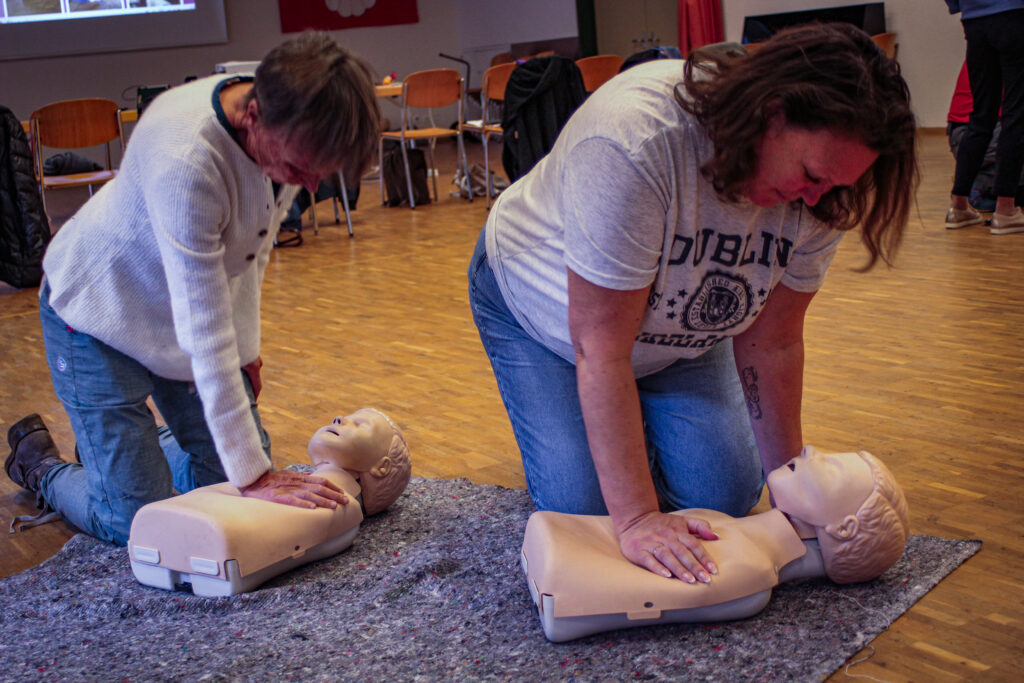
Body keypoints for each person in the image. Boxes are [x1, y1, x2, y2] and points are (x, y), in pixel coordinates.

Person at [468, 23, 917, 585]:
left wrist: (789, 486)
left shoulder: (826, 192)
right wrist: (637, 518)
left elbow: (774, 342)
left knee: (725, 496)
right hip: (543, 318)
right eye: (810, 175)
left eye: (834, 185)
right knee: (588, 513)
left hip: (678, 328)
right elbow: (601, 349)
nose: (816, 197)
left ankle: (636, 424)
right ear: (770, 113)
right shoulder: (637, 140)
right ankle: (617, 434)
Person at [4, 32, 383, 545]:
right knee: (138, 521)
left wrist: (246, 352)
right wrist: (255, 475)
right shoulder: (187, 160)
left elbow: (248, 257)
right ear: (253, 117)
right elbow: (203, 326)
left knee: (226, 492)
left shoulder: (287, 120)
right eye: (299, 169)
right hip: (96, 312)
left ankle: (120, 452)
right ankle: (42, 467)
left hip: (173, 310)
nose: (310, 186)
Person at [522, 446, 909, 641]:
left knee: (575, 493)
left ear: (845, 528)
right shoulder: (739, 543)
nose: (811, 450)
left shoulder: (750, 575)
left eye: (832, 467)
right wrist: (635, 518)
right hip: (557, 549)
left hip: (561, 574)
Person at [128, 408, 411, 596]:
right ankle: (145, 438)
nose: (338, 418)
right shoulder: (325, 503)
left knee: (123, 512)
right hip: (201, 533)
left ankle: (142, 440)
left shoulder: (341, 506)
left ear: (382, 467)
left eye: (359, 425)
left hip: (211, 539)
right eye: (345, 417)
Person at [944, 0, 1024, 234]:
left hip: (974, 20)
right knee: (1015, 116)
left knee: (980, 116)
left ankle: (959, 206)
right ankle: (1006, 209)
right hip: (1014, 14)